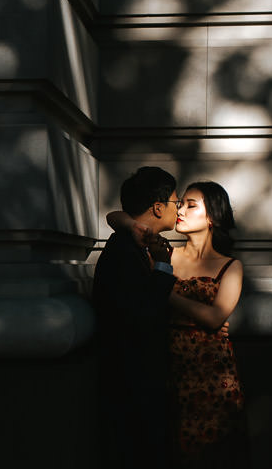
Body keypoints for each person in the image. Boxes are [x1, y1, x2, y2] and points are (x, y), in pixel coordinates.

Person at [108, 180, 249, 468]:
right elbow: (115, 217)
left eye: (191, 205)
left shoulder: (230, 266)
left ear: (212, 217)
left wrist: (165, 293)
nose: (181, 210)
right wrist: (136, 228)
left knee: (215, 455)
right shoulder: (165, 252)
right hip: (169, 369)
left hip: (213, 375)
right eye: (180, 203)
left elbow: (214, 318)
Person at [91, 166, 182, 468]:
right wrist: (163, 268)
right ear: (158, 207)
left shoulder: (135, 243)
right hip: (133, 389)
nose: (178, 208)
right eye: (175, 202)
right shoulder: (123, 251)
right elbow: (141, 315)